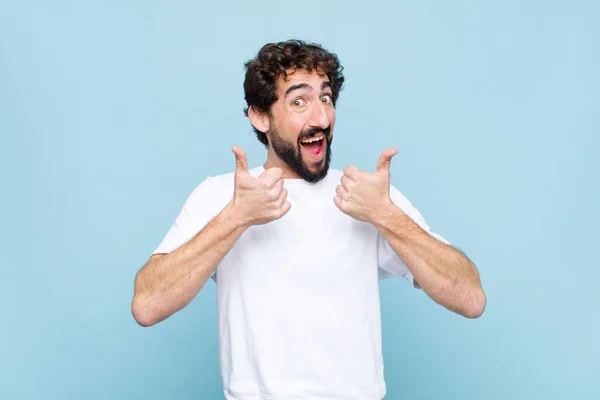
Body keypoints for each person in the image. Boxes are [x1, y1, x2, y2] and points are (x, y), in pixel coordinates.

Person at [131, 39, 486, 400]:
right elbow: (147, 305)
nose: (321, 117)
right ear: (260, 116)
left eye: (326, 98)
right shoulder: (223, 196)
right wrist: (235, 218)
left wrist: (386, 215)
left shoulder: (366, 196)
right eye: (299, 101)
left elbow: (470, 299)